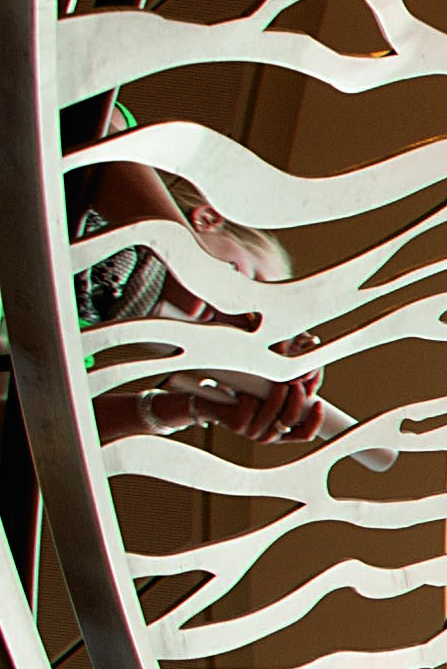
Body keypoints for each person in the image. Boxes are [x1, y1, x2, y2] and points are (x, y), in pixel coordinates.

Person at [66, 152, 341, 450]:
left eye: (246, 331)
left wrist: (196, 407)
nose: (242, 319)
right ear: (207, 220)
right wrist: (196, 267)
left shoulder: (82, 335)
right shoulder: (112, 199)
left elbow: (45, 418)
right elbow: (94, 140)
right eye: (250, 284)